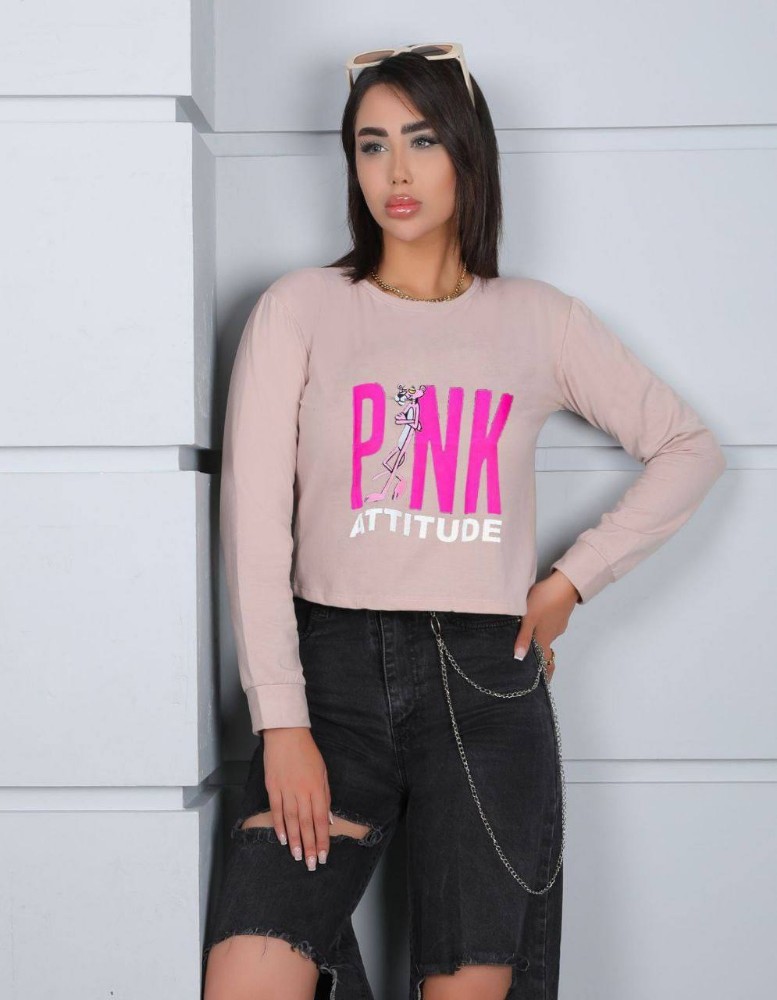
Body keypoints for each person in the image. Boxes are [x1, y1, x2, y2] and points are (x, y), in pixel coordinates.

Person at [202, 43, 726, 1000]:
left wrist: (569, 583)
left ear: (467, 152)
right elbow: (253, 529)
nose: (395, 173)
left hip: (485, 690)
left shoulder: (535, 319)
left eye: (422, 140)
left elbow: (688, 448)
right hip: (329, 687)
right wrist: (282, 721)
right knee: (247, 977)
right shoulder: (302, 309)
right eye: (371, 145)